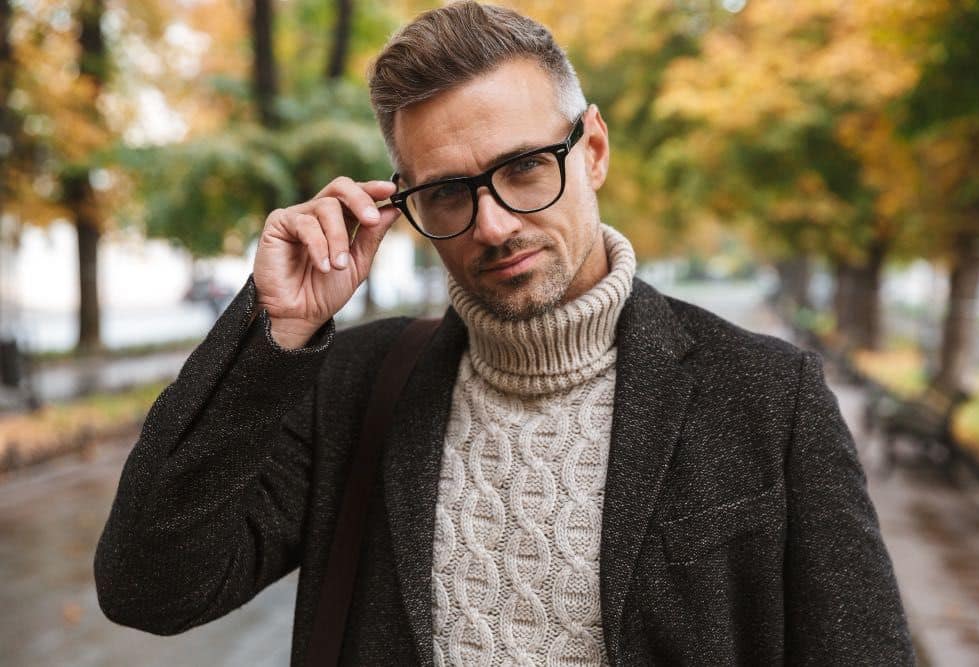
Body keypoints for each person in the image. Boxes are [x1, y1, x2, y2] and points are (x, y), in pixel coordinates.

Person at [94, 2, 916, 665]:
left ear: (591, 149)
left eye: (525, 167)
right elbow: (147, 585)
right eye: (449, 192)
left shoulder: (770, 399)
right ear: (403, 202)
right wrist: (273, 335)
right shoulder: (354, 386)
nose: (492, 225)